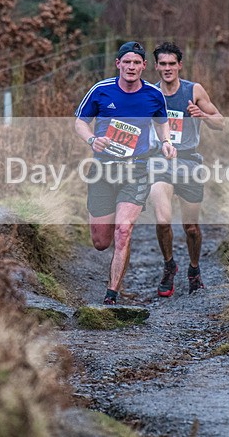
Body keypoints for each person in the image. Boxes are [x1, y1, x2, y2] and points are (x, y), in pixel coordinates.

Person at [74, 41, 177, 305]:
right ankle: (114, 277)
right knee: (101, 240)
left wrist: (166, 142)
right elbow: (80, 122)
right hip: (103, 171)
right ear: (118, 64)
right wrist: (91, 140)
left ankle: (112, 294)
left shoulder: (153, 96)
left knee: (123, 230)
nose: (131, 67)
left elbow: (162, 122)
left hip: (137, 170)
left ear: (144, 66)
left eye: (136, 63)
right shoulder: (101, 91)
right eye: (126, 62)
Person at [149, 42, 224, 297]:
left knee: (191, 227)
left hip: (190, 162)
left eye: (172, 64)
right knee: (162, 220)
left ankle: (194, 269)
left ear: (180, 65)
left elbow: (220, 123)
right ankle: (169, 265)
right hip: (161, 162)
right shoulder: (150, 93)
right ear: (156, 66)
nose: (167, 68)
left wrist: (202, 115)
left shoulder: (194, 90)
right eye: (163, 64)